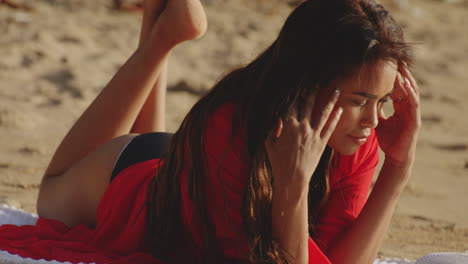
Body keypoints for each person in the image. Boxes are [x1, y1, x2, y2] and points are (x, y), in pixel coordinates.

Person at [0, 0, 421, 263]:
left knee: (177, 182)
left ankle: (163, 21)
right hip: (133, 179)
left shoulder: (357, 141)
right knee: (51, 196)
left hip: (182, 181)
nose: (372, 121)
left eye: (381, 102)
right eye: (359, 100)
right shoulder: (227, 128)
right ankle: (159, 42)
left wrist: (397, 170)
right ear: (308, 86)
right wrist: (293, 188)